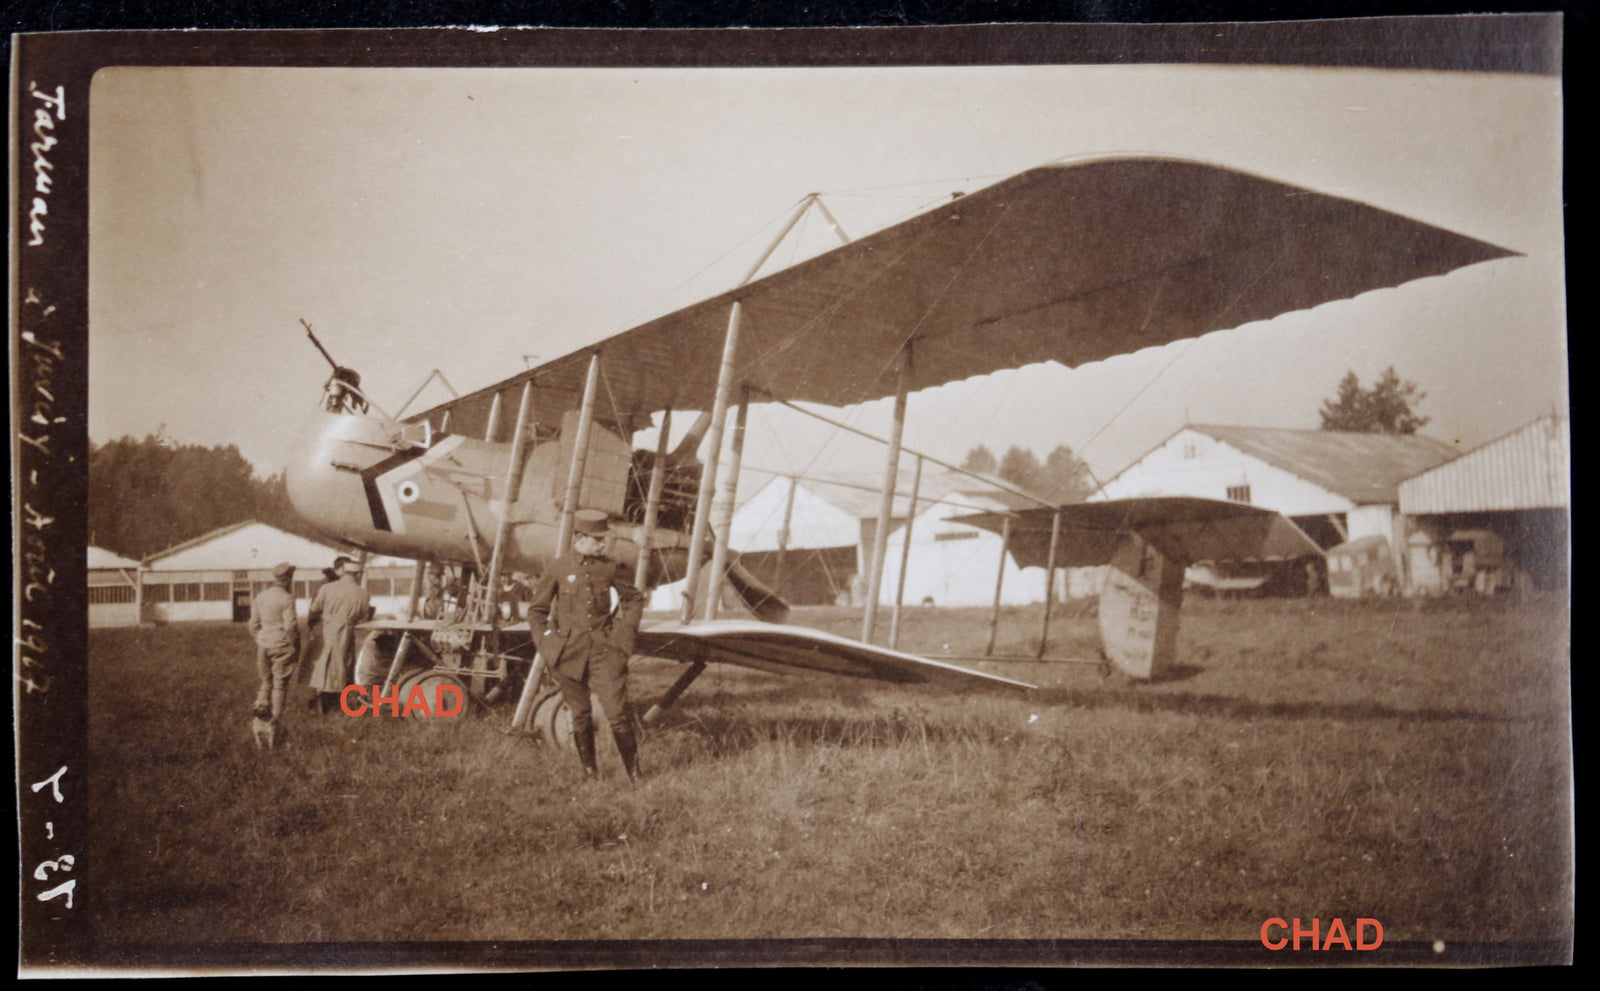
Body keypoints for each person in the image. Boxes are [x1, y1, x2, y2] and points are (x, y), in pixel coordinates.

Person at [528, 510, 645, 781]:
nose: (603, 545)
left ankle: (636, 776)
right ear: (580, 539)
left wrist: (624, 636)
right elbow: (537, 611)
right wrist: (548, 645)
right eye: (597, 540)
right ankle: (590, 773)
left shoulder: (611, 567)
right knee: (580, 714)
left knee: (617, 714)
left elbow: (634, 600)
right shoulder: (558, 568)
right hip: (568, 654)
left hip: (606, 652)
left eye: (603, 540)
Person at [306, 558, 373, 714]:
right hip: (347, 633)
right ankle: (341, 702)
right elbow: (364, 617)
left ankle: (320, 701)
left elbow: (315, 608)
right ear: (357, 574)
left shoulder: (327, 588)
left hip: (327, 631)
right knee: (344, 665)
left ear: (343, 571)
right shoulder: (363, 593)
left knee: (323, 665)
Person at [250, 562, 302, 723]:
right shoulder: (287, 598)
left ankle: (261, 709)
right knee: (280, 683)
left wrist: (260, 638)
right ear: (288, 579)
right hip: (281, 645)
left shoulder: (261, 597)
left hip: (264, 644)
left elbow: (253, 624)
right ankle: (276, 718)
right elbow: (290, 626)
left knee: (266, 681)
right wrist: (293, 644)